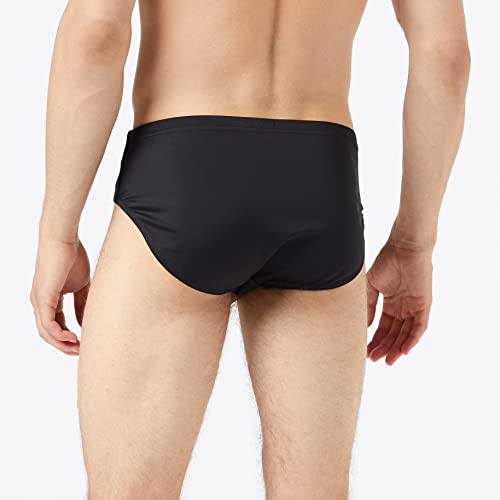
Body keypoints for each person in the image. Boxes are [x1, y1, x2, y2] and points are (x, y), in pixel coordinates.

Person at [30, 0, 470, 498]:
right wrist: (413, 243)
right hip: (320, 181)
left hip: (185, 170)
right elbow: (446, 54)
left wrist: (57, 235)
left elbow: (95, 32)